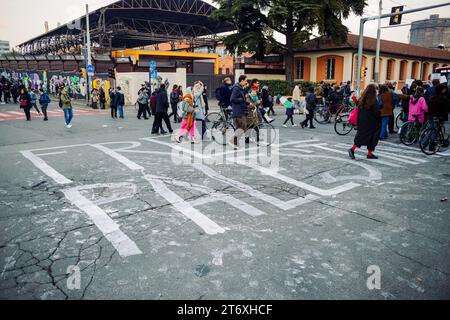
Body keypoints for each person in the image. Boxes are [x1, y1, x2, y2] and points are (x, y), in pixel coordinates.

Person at [348, 84, 381, 160]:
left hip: (362, 121)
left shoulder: (361, 99)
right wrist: (380, 115)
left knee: (361, 136)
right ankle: (369, 153)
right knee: (373, 138)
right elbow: (376, 112)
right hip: (372, 123)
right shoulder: (373, 100)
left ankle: (352, 149)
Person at [229, 75, 249, 149]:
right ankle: (232, 141)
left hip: (239, 110)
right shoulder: (236, 88)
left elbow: (242, 99)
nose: (246, 82)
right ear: (242, 80)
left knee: (238, 128)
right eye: (246, 81)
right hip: (238, 111)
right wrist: (242, 99)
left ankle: (235, 144)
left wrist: (248, 103)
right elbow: (232, 99)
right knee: (243, 127)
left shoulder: (240, 88)